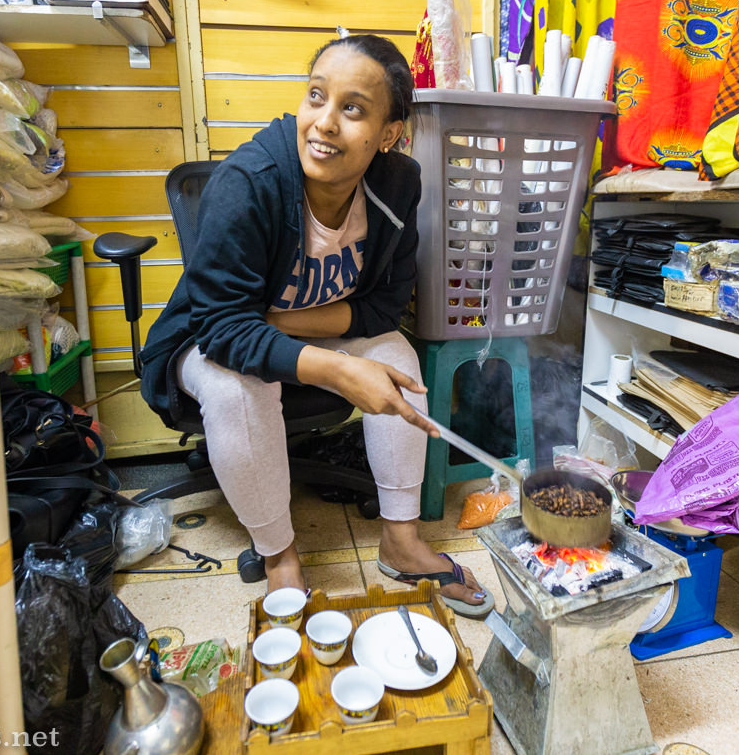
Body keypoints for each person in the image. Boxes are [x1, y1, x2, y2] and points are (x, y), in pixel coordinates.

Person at [142, 34, 492, 618]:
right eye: (316, 97)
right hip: (206, 339)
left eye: (352, 109)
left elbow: (381, 308)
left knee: (398, 356)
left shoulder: (397, 184)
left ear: (388, 134)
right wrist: (337, 365)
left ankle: (401, 542)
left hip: (281, 324)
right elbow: (223, 329)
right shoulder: (250, 182)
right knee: (237, 384)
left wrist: (281, 323)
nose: (324, 123)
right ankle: (280, 559)